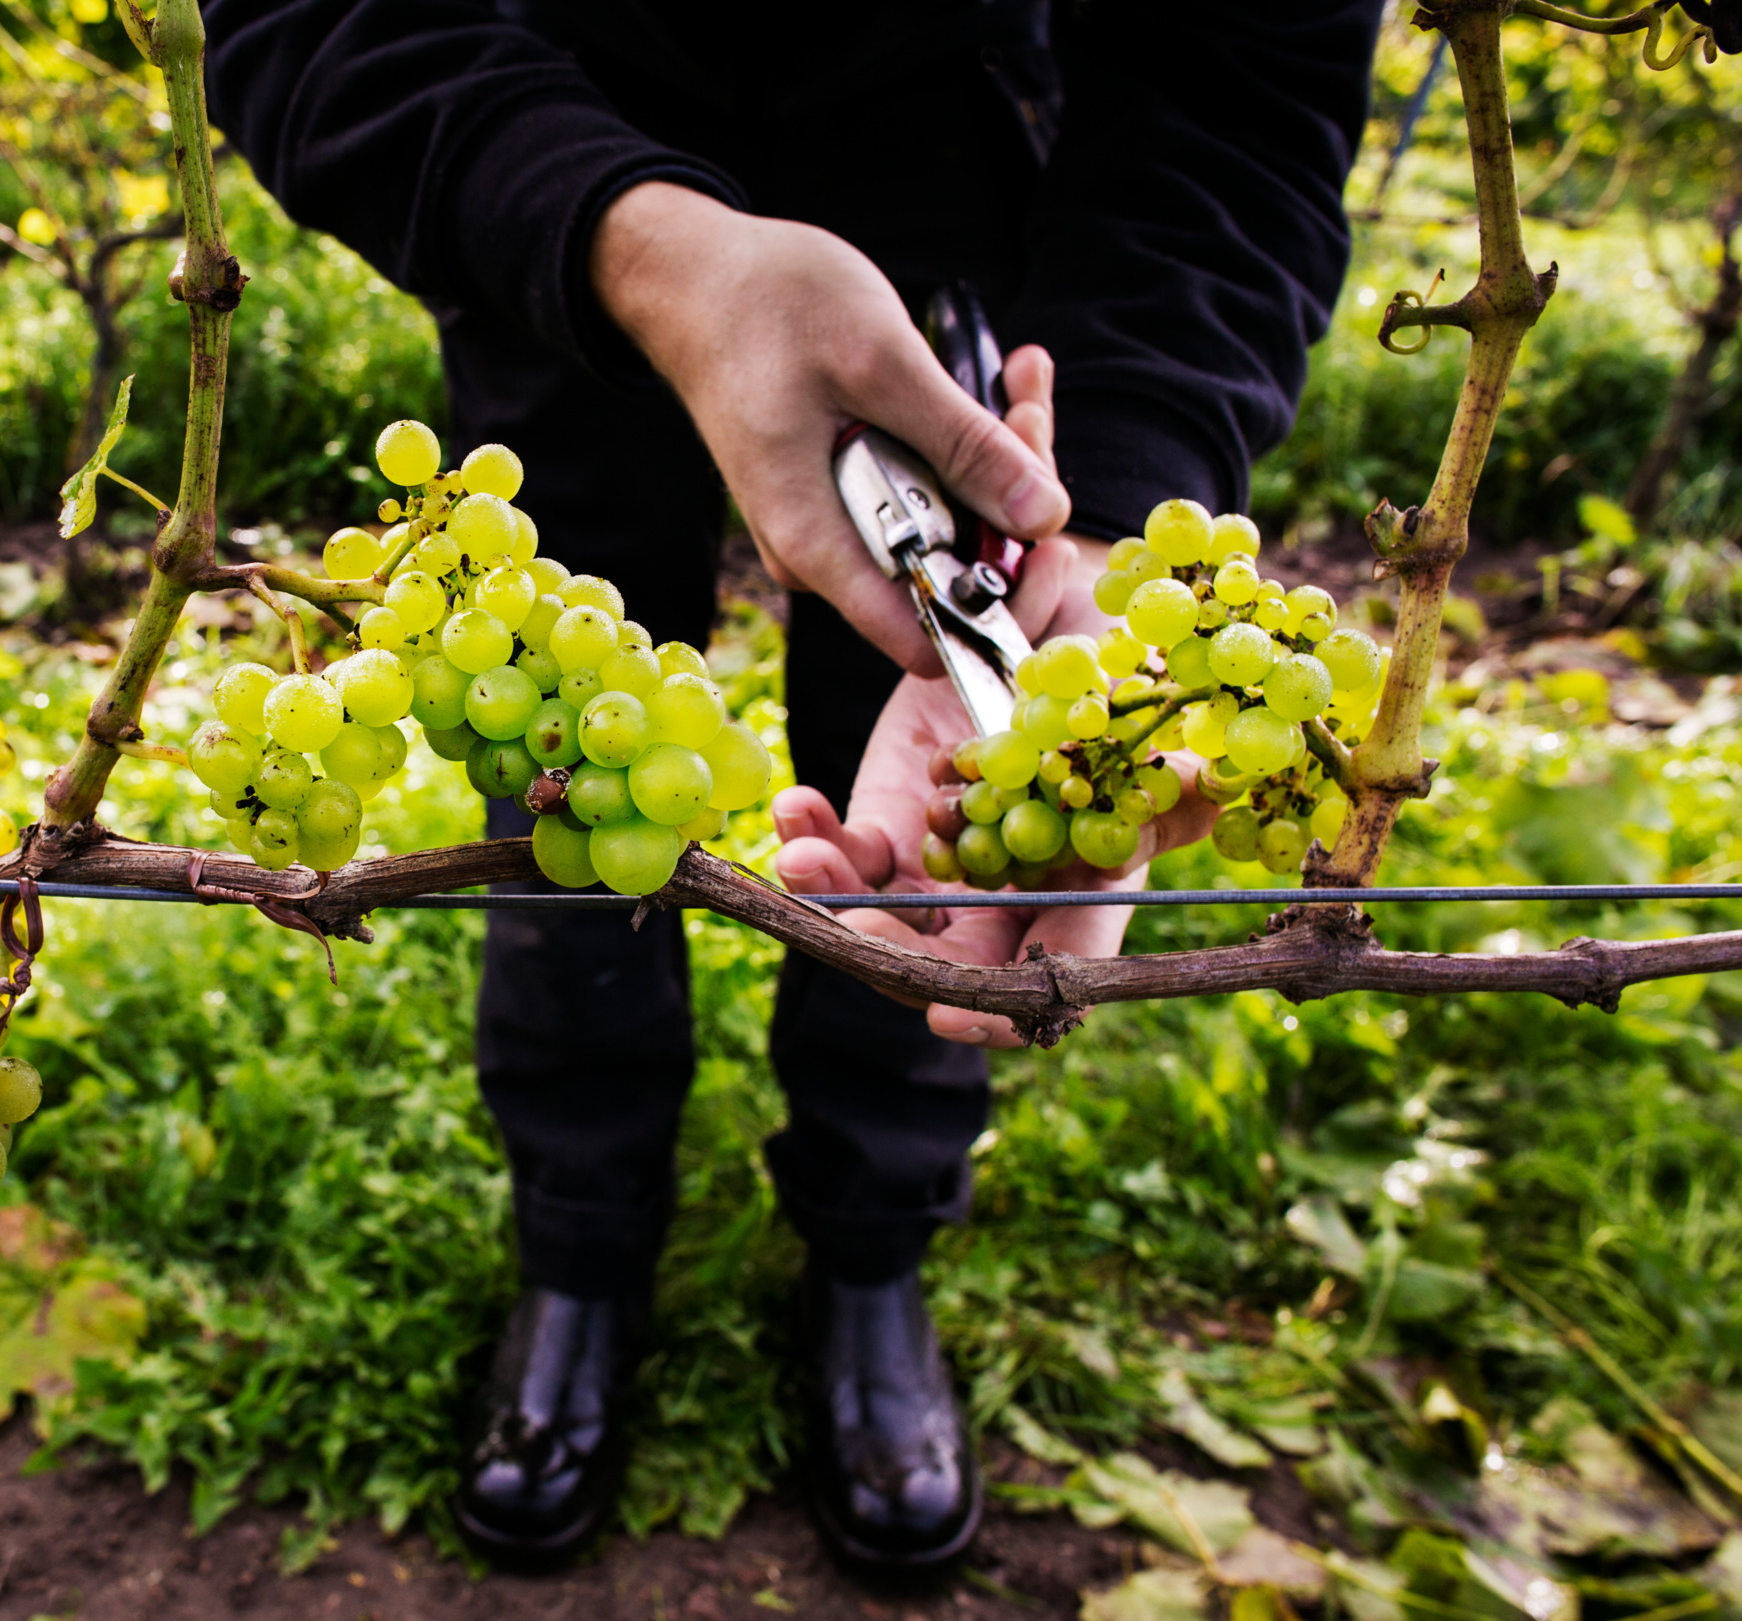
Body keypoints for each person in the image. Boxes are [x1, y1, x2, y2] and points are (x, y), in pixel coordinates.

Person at [204, 0, 1381, 1569]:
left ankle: (870, 1254)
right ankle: (579, 1251)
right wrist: (634, 240)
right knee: (553, 756)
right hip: (558, 192)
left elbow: (1240, 80)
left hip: (951, 199)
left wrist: (1104, 497)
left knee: (922, 806)